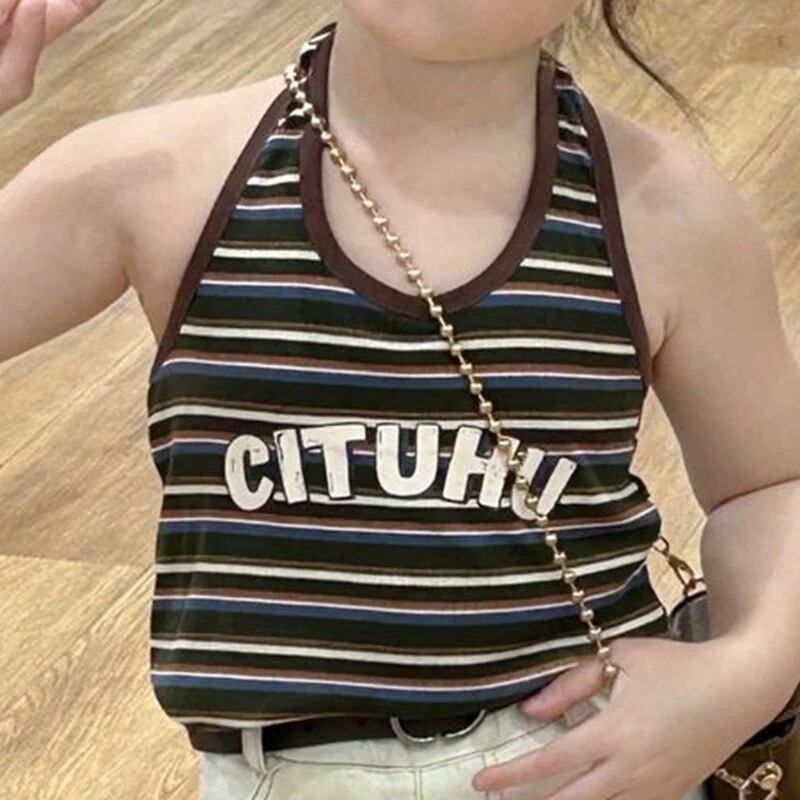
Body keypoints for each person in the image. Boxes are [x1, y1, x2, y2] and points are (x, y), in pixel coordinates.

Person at [3, 2, 800, 799]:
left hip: (587, 757)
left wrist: (742, 675)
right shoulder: (158, 175)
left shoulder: (664, 207)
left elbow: (770, 483)